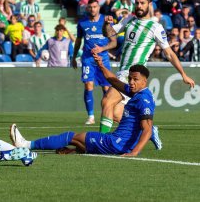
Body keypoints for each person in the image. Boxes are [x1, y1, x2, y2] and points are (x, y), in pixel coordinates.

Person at [99, 0, 195, 149]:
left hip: (133, 74)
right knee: (117, 113)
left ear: (149, 4)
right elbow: (109, 33)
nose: (139, 6)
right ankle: (149, 130)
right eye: (136, 2)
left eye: (142, 3)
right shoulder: (129, 19)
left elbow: (169, 53)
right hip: (122, 72)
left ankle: (101, 143)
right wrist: (106, 24)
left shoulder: (155, 27)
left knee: (107, 101)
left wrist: (183, 74)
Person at [10, 62, 155, 157]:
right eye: (130, 78)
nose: (131, 82)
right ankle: (74, 150)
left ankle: (26, 144)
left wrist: (135, 152)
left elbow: (147, 128)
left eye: (135, 79)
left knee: (70, 136)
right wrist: (100, 65)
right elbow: (114, 81)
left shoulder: (144, 99)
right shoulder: (136, 92)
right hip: (119, 143)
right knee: (79, 141)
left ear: (144, 81)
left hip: (116, 144)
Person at [72, 0, 117, 125]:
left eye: (95, 7)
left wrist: (102, 48)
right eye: (90, 7)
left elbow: (114, 42)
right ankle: (91, 117)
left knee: (106, 88)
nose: (93, 9)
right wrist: (74, 56)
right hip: (88, 59)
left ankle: (107, 115)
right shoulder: (82, 23)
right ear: (87, 8)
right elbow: (78, 40)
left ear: (99, 7)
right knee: (88, 85)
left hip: (103, 59)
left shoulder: (106, 21)